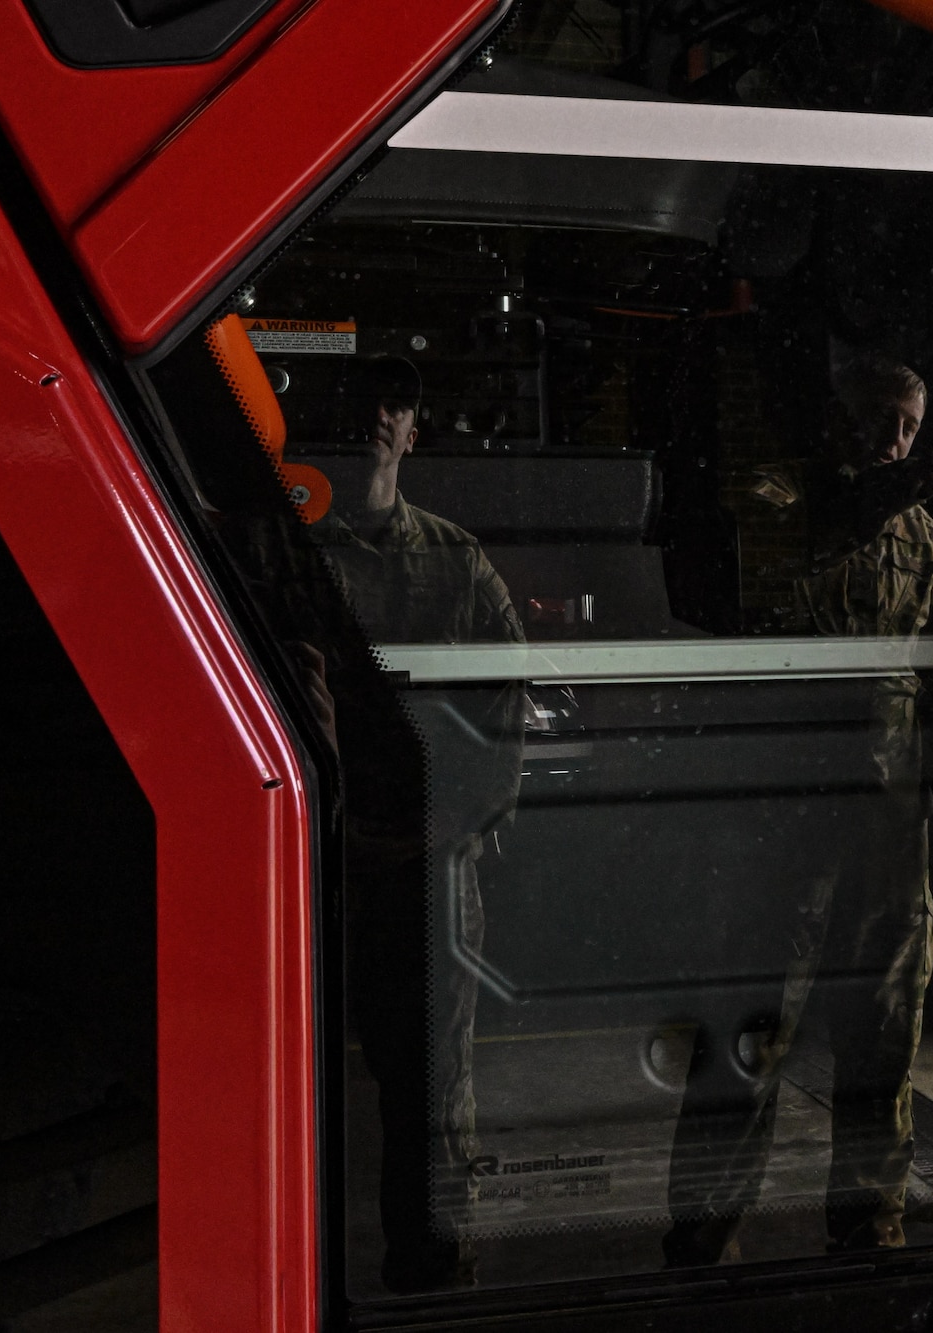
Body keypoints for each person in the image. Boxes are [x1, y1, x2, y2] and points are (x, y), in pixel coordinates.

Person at [662, 355, 933, 1263]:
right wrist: (880, 498)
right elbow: (770, 574)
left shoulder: (921, 536)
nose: (888, 439)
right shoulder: (777, 495)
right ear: (835, 419)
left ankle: (869, 1226)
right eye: (874, 420)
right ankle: (701, 1234)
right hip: (779, 816)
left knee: (883, 1034)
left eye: (904, 427)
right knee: (749, 1034)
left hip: (885, 823)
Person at [309, 357, 528, 1292]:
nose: (374, 419)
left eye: (391, 404)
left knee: (432, 1102)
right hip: (300, 874)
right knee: (279, 1095)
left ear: (410, 429)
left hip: (422, 874)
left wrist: (438, 835)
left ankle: (432, 1283)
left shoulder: (455, 563)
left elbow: (504, 715)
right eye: (360, 404)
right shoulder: (285, 561)